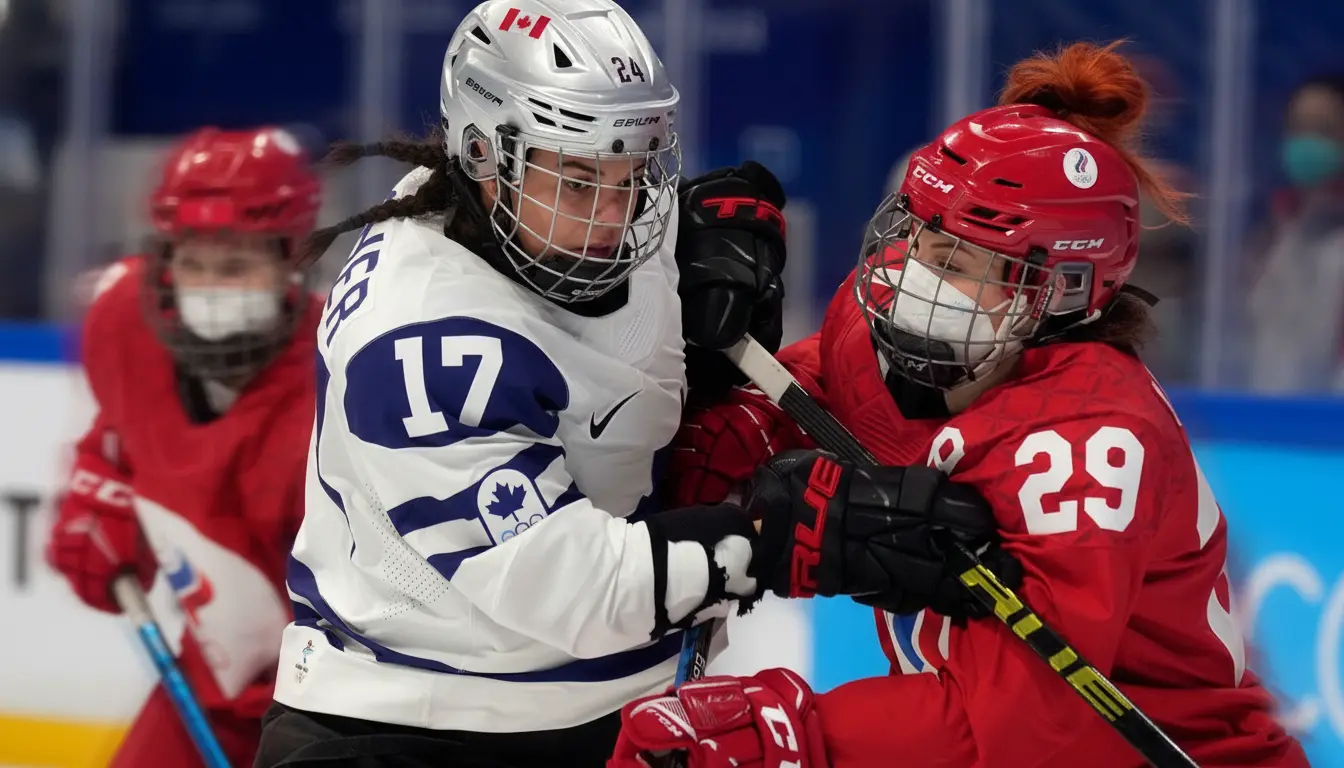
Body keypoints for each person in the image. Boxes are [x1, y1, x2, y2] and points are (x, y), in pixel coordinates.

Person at [252, 2, 1009, 766]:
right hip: (410, 727)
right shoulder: (420, 342)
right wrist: (775, 539)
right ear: (484, 155)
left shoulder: (547, 210)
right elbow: (574, 592)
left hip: (612, 709)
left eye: (634, 173)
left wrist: (711, 228)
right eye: (581, 183)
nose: (616, 217)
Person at [611, 42, 1310, 767]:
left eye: (952, 260)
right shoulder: (893, 339)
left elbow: (1022, 729)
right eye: (913, 232)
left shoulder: (1086, 444)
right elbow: (804, 399)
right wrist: (733, 418)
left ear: (1058, 289)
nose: (910, 270)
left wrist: (799, 731)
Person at [45, 125, 324, 768]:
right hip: (209, 687)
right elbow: (120, 434)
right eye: (192, 263)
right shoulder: (124, 323)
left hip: (325, 706)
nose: (211, 288)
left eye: (236, 265)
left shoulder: (335, 385)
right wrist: (102, 491)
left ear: (290, 261)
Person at [1247, 74, 1344, 392]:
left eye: (1324, 129)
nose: (1307, 142)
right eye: (1298, 127)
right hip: (1269, 409)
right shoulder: (1273, 231)